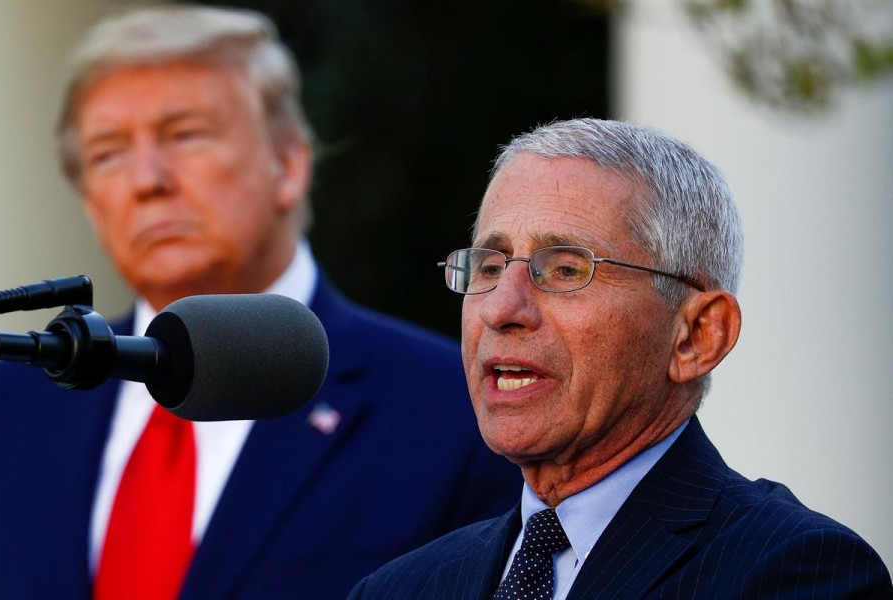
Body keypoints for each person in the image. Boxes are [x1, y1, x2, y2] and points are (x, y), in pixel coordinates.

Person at [0, 5, 521, 599]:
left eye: (185, 135)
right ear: (90, 202)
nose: (147, 180)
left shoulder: (454, 408)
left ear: (289, 164)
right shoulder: (10, 404)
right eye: (109, 154)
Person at [348, 118, 893, 599]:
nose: (502, 309)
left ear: (697, 336)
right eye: (489, 268)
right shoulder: (401, 587)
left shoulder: (796, 574)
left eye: (563, 269)